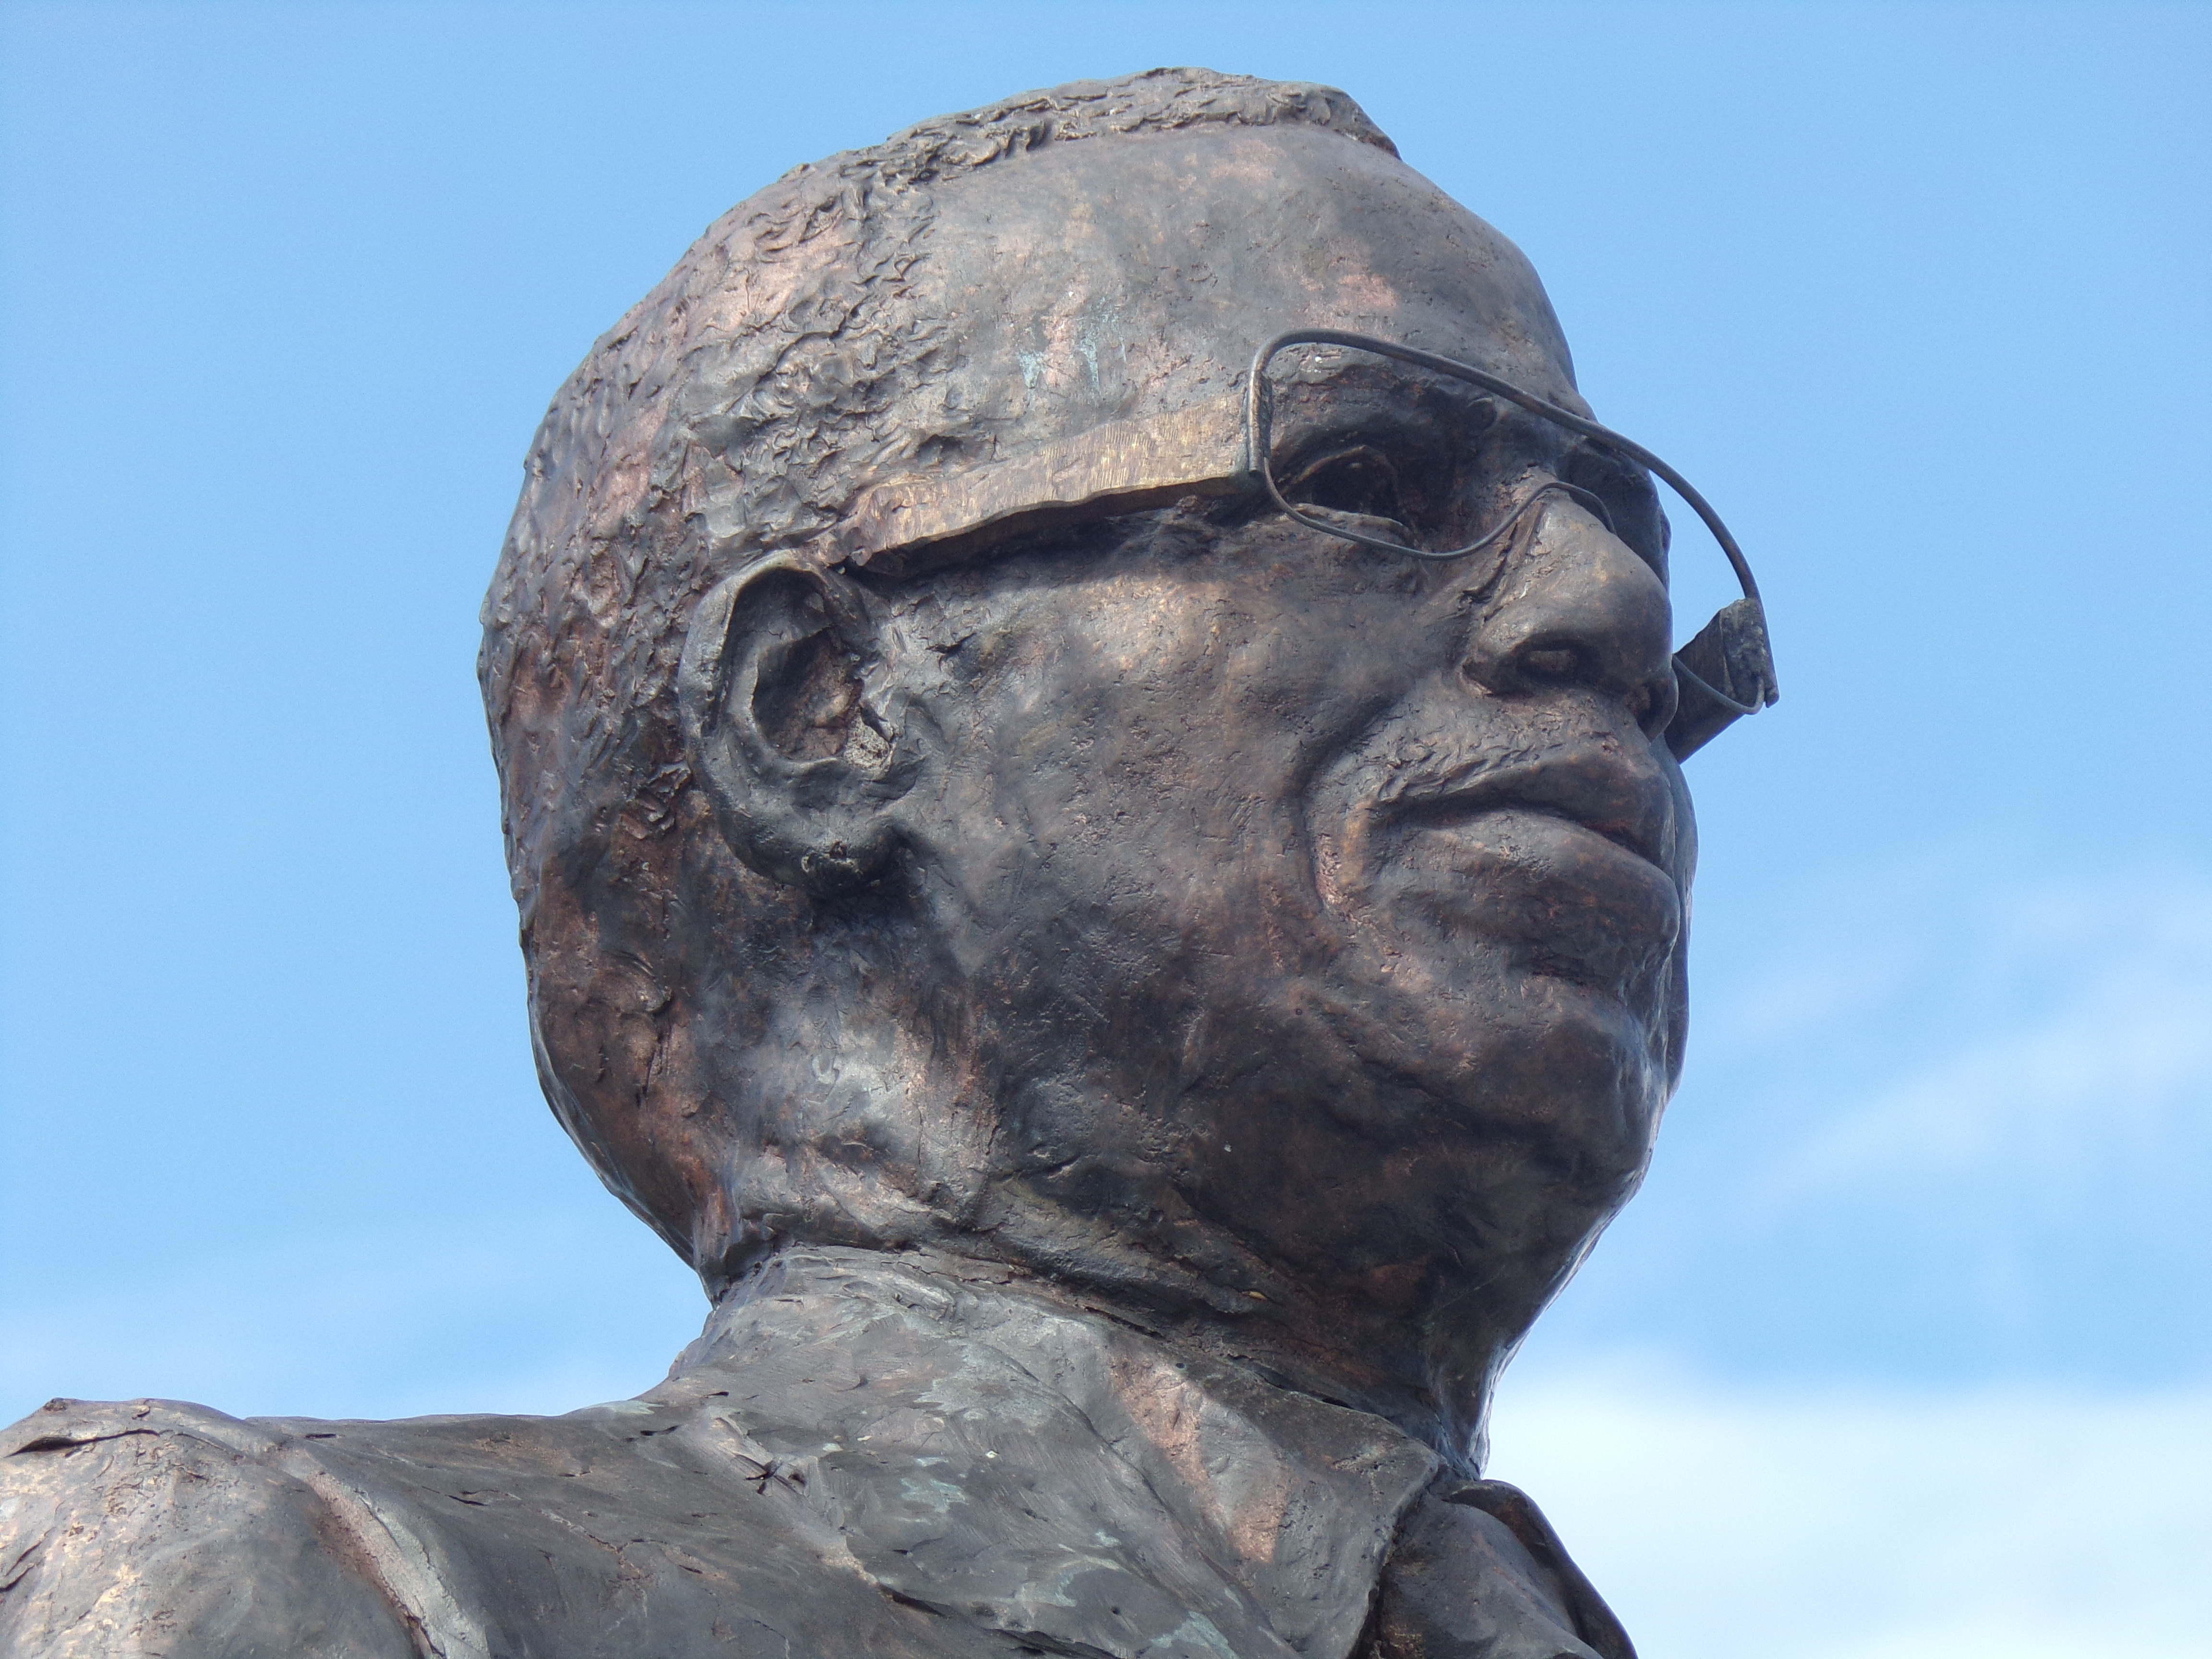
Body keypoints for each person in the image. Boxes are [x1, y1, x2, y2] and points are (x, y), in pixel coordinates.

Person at [0, 67, 1773, 1659]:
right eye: (1370, 479)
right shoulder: (285, 1596)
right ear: (819, 705)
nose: (1609, 615)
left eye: (1633, 545)